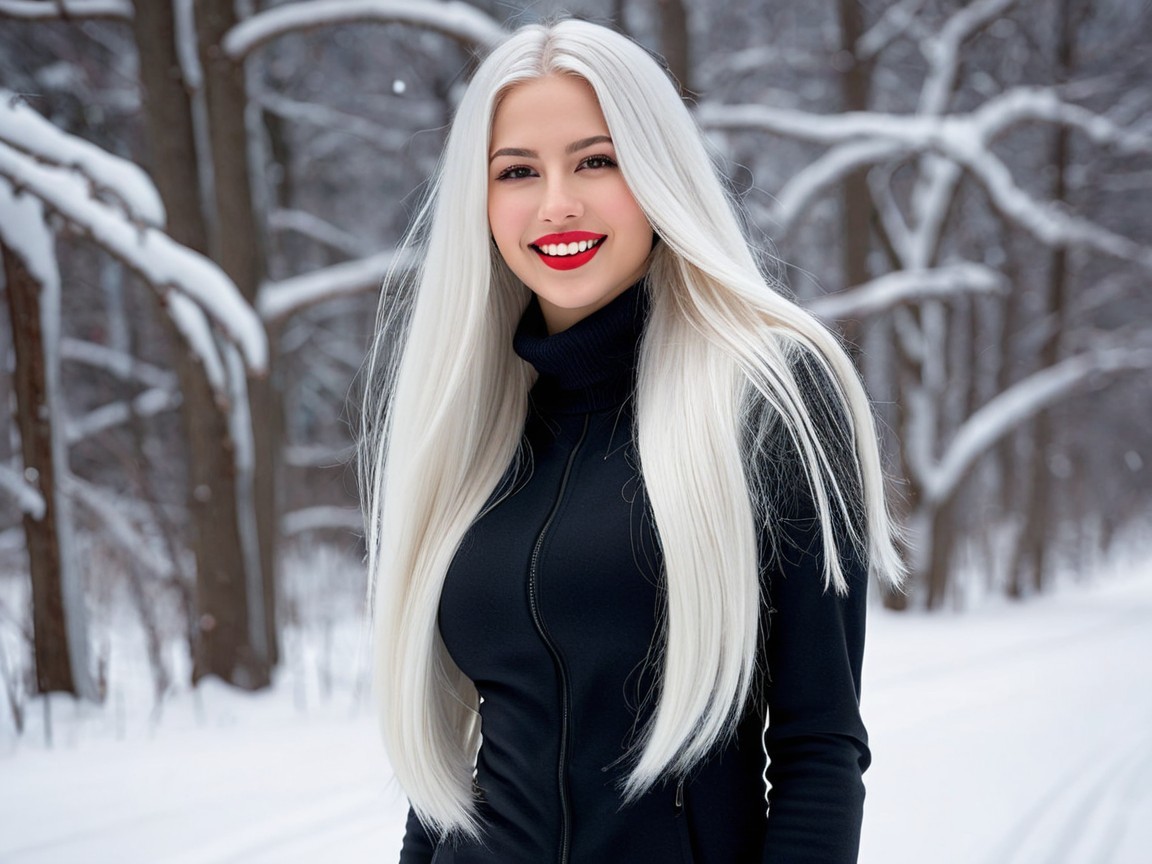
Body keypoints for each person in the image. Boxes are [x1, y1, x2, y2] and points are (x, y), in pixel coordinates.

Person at [358, 18, 903, 864]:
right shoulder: (468, 425)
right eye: (517, 172)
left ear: (656, 172)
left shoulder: (771, 398)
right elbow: (452, 782)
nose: (557, 203)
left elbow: (819, 752)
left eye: (595, 160)